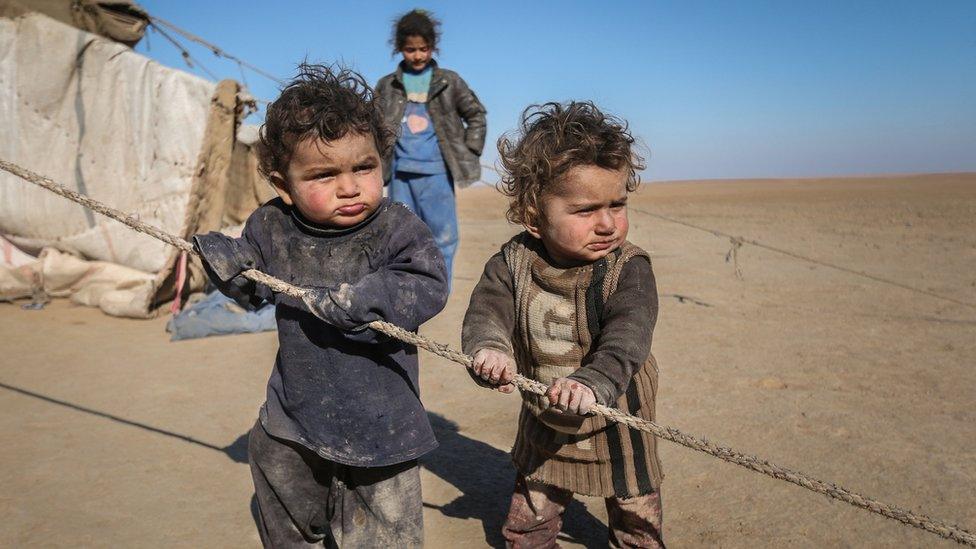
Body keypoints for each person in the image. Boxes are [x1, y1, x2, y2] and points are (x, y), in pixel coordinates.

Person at [192, 64, 449, 548]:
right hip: (294, 415)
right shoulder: (270, 227)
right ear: (283, 184)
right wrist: (228, 266)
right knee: (276, 482)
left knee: (386, 534)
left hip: (381, 424)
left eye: (363, 168)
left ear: (382, 164)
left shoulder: (397, 227)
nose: (349, 187)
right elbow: (254, 291)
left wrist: (366, 298)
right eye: (324, 174)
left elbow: (426, 284)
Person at [462, 101, 665, 548]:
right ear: (534, 216)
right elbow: (487, 313)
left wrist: (593, 382)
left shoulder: (628, 269)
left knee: (636, 522)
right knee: (529, 520)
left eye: (618, 204)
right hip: (546, 419)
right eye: (586, 210)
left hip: (617, 419)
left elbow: (626, 341)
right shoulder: (512, 263)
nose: (608, 223)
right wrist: (491, 349)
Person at [375, 8, 487, 287]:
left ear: (432, 47)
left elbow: (475, 114)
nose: (417, 56)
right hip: (400, 175)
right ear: (400, 48)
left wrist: (470, 150)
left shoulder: (449, 81)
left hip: (437, 174)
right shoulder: (386, 86)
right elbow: (372, 125)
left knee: (443, 236)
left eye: (423, 49)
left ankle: (439, 288)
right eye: (411, 49)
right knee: (400, 235)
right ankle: (407, 287)